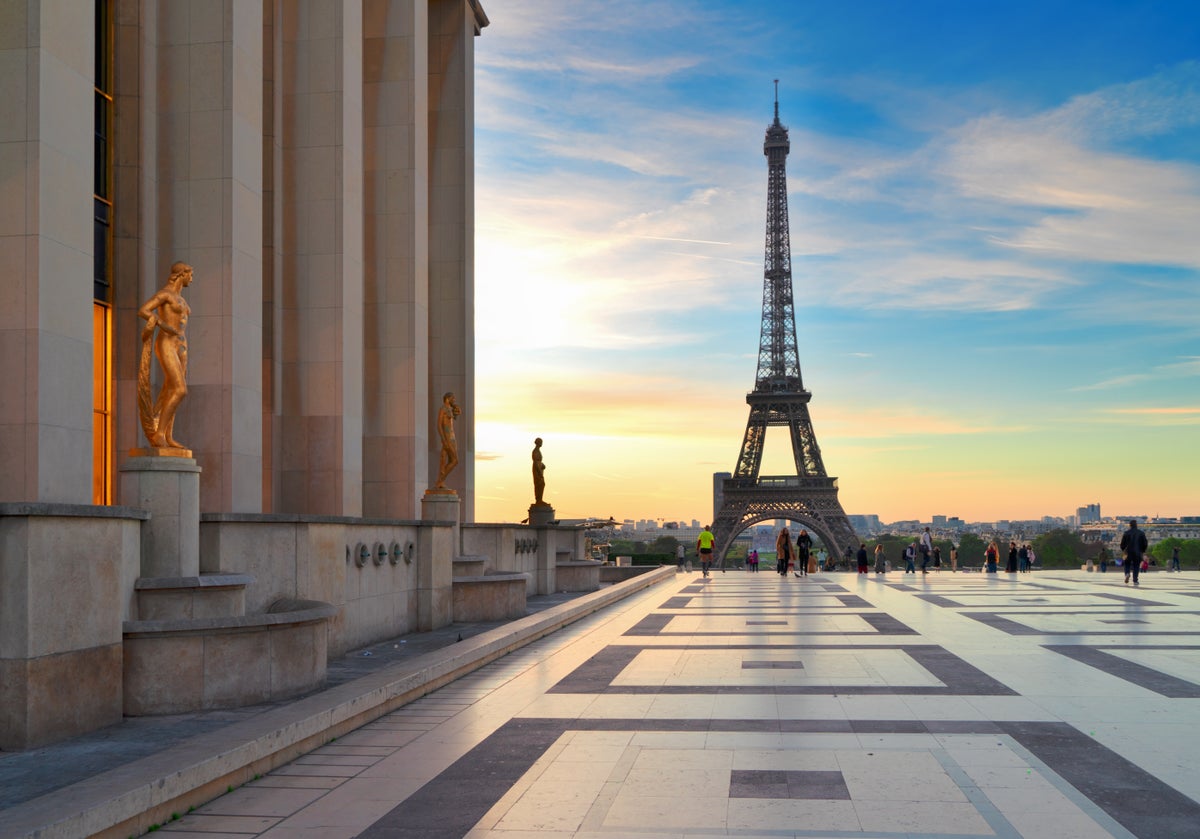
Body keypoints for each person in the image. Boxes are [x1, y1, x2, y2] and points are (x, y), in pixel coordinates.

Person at [137, 261, 193, 449]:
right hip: (167, 343)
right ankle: (159, 433)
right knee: (180, 389)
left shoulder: (182, 299)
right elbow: (144, 310)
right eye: (189, 274)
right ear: (181, 274)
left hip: (181, 346)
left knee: (171, 390)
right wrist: (161, 323)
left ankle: (168, 436)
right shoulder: (165, 294)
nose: (191, 279)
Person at [433, 392, 461, 489]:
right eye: (453, 398)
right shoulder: (443, 409)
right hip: (448, 437)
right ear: (447, 398)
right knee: (455, 460)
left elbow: (454, 417)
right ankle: (440, 480)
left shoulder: (449, 409)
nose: (454, 400)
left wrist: (457, 411)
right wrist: (443, 439)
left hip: (452, 437)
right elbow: (439, 425)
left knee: (450, 460)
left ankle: (440, 481)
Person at [1120, 520, 1148, 585]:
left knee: (1127, 564)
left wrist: (1123, 550)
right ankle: (1135, 580)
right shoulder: (1141, 533)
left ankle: (1127, 573)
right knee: (1136, 566)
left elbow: (1122, 544)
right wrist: (1143, 550)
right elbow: (1145, 543)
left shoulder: (1126, 533)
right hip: (1137, 551)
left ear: (1130, 525)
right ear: (1136, 525)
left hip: (1128, 551)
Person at [531, 437, 547, 504]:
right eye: (541, 442)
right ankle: (538, 500)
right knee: (539, 484)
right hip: (537, 469)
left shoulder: (537, 451)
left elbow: (539, 461)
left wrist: (542, 465)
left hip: (539, 468)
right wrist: (539, 472)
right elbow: (535, 461)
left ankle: (540, 499)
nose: (541, 443)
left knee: (541, 484)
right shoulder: (535, 451)